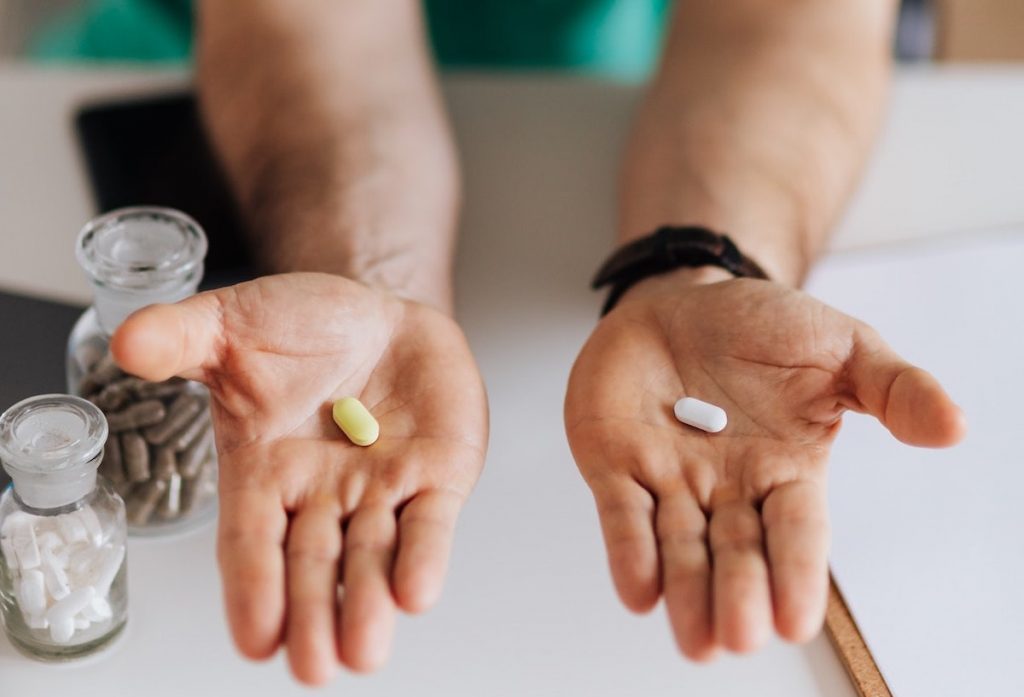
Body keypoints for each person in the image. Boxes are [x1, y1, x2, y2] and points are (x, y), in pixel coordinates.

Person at [95, 0, 966, 687]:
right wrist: (369, 279)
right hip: (256, 71)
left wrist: (703, 265)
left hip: (637, 64)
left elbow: (783, 21)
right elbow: (313, 23)